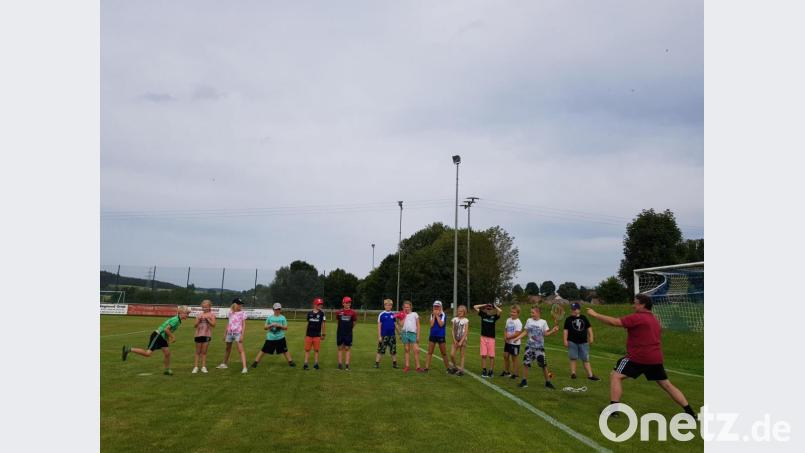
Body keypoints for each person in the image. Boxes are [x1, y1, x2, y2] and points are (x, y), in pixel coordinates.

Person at [586, 294, 697, 418]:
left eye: (635, 303)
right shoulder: (655, 319)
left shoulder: (638, 317)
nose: (633, 305)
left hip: (638, 357)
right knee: (667, 385)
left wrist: (595, 314)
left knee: (615, 376)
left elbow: (615, 322)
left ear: (643, 304)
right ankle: (690, 413)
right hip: (655, 358)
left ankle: (613, 410)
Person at [122, 305, 191, 376]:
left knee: (167, 353)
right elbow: (166, 329)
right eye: (186, 313)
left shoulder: (178, 320)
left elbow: (167, 330)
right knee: (147, 353)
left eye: (188, 314)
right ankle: (128, 349)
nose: (187, 315)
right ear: (181, 313)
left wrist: (167, 339)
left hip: (162, 337)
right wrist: (172, 337)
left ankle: (167, 370)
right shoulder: (176, 320)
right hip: (158, 336)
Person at [510, 306, 559, 389]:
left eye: (533, 312)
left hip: (539, 348)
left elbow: (545, 334)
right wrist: (517, 338)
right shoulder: (529, 321)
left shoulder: (543, 322)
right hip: (529, 347)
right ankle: (524, 381)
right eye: (531, 312)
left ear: (538, 313)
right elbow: (525, 331)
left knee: (543, 365)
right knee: (526, 364)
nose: (531, 314)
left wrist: (553, 330)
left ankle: (548, 382)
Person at [251, 303, 296, 369]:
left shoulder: (283, 318)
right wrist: (271, 325)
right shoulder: (270, 318)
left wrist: (279, 326)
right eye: (276, 309)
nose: (277, 310)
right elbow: (265, 327)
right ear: (273, 309)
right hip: (270, 338)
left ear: (280, 309)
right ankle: (255, 362)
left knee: (285, 350)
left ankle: (290, 362)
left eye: (279, 309)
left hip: (280, 337)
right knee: (263, 350)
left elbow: (286, 328)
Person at [563, 302, 599, 381]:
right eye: (571, 309)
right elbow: (565, 331)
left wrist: (591, 337)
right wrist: (565, 340)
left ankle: (590, 375)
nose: (572, 311)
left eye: (574, 309)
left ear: (579, 310)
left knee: (585, 359)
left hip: (583, 342)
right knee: (573, 358)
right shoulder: (568, 319)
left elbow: (589, 328)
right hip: (572, 342)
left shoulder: (583, 318)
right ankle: (573, 373)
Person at [216, 298, 249, 374]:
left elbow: (244, 325)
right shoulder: (230, 312)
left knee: (241, 350)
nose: (240, 305)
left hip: (238, 334)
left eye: (241, 304)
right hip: (229, 333)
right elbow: (229, 323)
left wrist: (242, 335)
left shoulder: (243, 313)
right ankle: (224, 364)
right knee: (227, 348)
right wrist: (225, 333)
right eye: (239, 304)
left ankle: (244, 368)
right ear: (234, 304)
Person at [473, 302, 502, 378]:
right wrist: (484, 305)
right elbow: (475, 306)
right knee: (484, 355)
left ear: (492, 310)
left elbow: (500, 311)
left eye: (490, 309)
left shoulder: (494, 317)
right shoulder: (483, 315)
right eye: (487, 309)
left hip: (491, 339)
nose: (488, 310)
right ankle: (484, 370)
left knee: (491, 356)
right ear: (485, 309)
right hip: (483, 338)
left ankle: (491, 371)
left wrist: (495, 306)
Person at [424, 300, 450, 372]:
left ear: (440, 307)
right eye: (435, 306)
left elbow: (441, 324)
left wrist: (437, 316)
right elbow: (431, 325)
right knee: (429, 352)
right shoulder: (432, 315)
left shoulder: (443, 314)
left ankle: (448, 368)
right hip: (432, 335)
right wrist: (434, 315)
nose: (436, 308)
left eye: (438, 307)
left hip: (440, 336)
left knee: (444, 353)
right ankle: (426, 368)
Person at [192, 299, 216, 374]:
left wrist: (208, 320)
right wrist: (199, 320)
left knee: (204, 352)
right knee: (197, 351)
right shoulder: (199, 315)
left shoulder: (212, 314)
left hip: (207, 334)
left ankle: (203, 367)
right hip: (198, 334)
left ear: (209, 307)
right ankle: (196, 367)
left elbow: (214, 324)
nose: (205, 308)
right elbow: (195, 325)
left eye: (206, 307)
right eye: (203, 307)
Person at [398, 300, 423, 372]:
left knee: (416, 350)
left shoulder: (415, 314)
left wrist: (418, 336)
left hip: (413, 334)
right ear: (403, 307)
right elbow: (401, 325)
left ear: (411, 307)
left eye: (408, 307)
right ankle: (407, 366)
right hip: (405, 334)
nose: (406, 309)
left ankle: (418, 367)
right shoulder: (401, 315)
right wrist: (403, 316)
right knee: (406, 350)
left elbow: (418, 325)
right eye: (405, 307)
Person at [303, 297, 326, 370]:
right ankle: (305, 364)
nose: (320, 306)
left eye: (321, 304)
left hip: (317, 335)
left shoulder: (322, 313)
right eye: (319, 304)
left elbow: (323, 324)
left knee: (316, 350)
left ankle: (316, 364)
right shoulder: (309, 313)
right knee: (307, 350)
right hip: (309, 335)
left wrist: (323, 334)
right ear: (315, 305)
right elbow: (307, 324)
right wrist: (305, 334)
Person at [335, 296, 358, 371]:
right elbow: (338, 322)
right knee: (340, 348)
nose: (348, 304)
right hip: (340, 333)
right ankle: (340, 364)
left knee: (347, 348)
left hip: (348, 333)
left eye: (349, 302)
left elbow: (354, 323)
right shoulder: (339, 312)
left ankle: (347, 365)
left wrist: (349, 329)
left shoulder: (353, 313)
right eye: (346, 302)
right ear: (343, 303)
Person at [501, 304, 523, 380]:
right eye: (511, 312)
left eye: (514, 312)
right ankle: (507, 372)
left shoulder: (518, 322)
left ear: (518, 313)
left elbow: (518, 333)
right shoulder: (508, 320)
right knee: (505, 356)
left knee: (514, 358)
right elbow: (506, 329)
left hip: (515, 343)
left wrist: (508, 337)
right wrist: (505, 337)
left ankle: (515, 374)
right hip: (508, 342)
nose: (512, 313)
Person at [375, 299, 398, 368]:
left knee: (393, 350)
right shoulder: (381, 314)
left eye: (390, 305)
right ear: (384, 306)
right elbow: (379, 326)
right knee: (380, 350)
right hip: (384, 335)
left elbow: (395, 324)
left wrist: (400, 333)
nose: (388, 306)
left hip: (392, 335)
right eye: (387, 305)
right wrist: (379, 336)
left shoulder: (393, 314)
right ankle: (377, 363)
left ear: (391, 306)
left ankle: (394, 364)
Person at [449, 305, 469, 376]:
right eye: (458, 311)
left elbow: (466, 331)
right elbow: (452, 330)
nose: (459, 312)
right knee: (452, 354)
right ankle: (455, 367)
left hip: (463, 340)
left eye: (461, 311)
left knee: (462, 355)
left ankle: (461, 370)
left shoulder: (466, 320)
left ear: (464, 312)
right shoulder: (454, 319)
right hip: (455, 339)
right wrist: (454, 340)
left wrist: (461, 341)